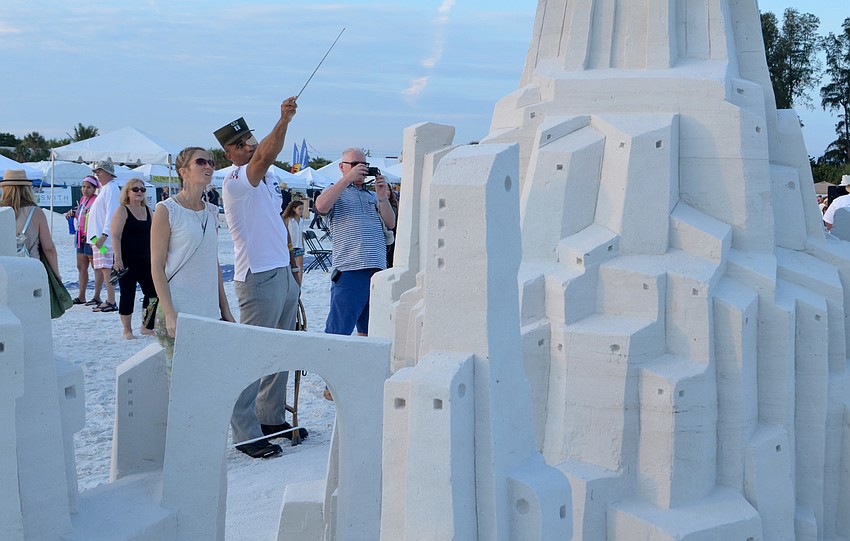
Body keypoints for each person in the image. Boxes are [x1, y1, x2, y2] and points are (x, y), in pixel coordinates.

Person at [215, 98, 306, 459]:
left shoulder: (266, 178)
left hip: (280, 270)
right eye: (239, 145)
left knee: (280, 350)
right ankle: (244, 431)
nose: (248, 147)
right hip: (257, 275)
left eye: (249, 140)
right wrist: (283, 120)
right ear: (229, 155)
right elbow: (265, 156)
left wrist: (293, 269)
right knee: (251, 356)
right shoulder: (236, 180)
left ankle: (270, 417)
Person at [150, 148, 235, 358]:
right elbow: (157, 265)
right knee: (179, 373)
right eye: (201, 162)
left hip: (208, 309)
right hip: (178, 308)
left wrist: (225, 309)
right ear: (183, 171)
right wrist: (169, 313)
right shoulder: (167, 209)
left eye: (211, 163)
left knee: (207, 369)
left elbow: (212, 261)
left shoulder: (212, 211)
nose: (208, 166)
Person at [315, 148, 396, 338]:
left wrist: (382, 198)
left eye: (364, 165)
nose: (360, 169)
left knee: (369, 332)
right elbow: (321, 206)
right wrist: (347, 179)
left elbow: (390, 223)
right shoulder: (335, 191)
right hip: (350, 270)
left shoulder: (371, 196)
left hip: (377, 271)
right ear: (341, 167)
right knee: (338, 332)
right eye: (354, 164)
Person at [111, 178, 158, 340]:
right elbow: (115, 236)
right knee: (127, 294)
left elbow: (154, 235)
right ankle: (127, 329)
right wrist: (117, 259)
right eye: (135, 189)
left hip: (146, 259)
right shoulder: (122, 210)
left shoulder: (148, 210)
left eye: (142, 190)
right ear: (128, 192)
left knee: (153, 294)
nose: (139, 192)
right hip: (127, 260)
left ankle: (147, 326)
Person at [1, 169, 60, 277]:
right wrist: (56, 275)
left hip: (4, 271)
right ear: (27, 189)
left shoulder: (2, 212)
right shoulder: (36, 212)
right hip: (31, 270)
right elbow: (48, 248)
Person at [87, 160, 121, 313]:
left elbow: (112, 213)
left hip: (103, 239)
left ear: (108, 173)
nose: (97, 174)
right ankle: (106, 298)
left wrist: (104, 235)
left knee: (107, 268)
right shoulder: (104, 189)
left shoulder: (111, 189)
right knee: (102, 267)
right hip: (97, 238)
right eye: (96, 172)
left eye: (99, 171)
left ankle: (111, 300)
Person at [65, 175, 103, 305]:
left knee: (97, 266)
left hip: (93, 237)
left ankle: (97, 296)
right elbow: (81, 215)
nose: (85, 189)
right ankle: (81, 296)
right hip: (80, 236)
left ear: (95, 188)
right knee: (81, 266)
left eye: (88, 187)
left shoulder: (96, 200)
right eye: (83, 186)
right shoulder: (83, 200)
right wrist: (73, 213)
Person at [282, 199, 305, 286]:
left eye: (302, 209)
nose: (301, 211)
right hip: (290, 246)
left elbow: (301, 233)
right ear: (294, 209)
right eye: (300, 209)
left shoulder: (301, 220)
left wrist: (303, 245)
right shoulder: (288, 219)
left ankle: (299, 285)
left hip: (299, 246)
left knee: (300, 267)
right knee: (290, 266)